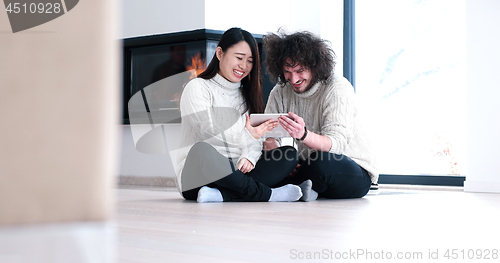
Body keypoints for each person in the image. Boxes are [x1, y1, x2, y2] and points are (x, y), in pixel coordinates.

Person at [176, 27, 309, 203]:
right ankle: (266, 194)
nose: (244, 66)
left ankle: (221, 195)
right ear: (220, 53)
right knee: (201, 150)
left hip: (237, 171)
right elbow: (209, 131)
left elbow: (256, 140)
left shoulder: (247, 95)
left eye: (249, 61)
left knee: (288, 154)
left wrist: (249, 157)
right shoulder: (197, 87)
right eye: (239, 58)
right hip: (199, 176)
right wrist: (246, 133)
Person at [263, 30, 378, 200]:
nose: (293, 79)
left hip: (351, 168)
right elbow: (267, 136)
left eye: (300, 70)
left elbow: (336, 145)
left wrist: (303, 135)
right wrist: (278, 155)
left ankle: (298, 188)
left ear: (315, 66)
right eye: (287, 71)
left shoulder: (337, 87)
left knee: (321, 162)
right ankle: (306, 189)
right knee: (273, 159)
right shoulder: (280, 92)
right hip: (309, 164)